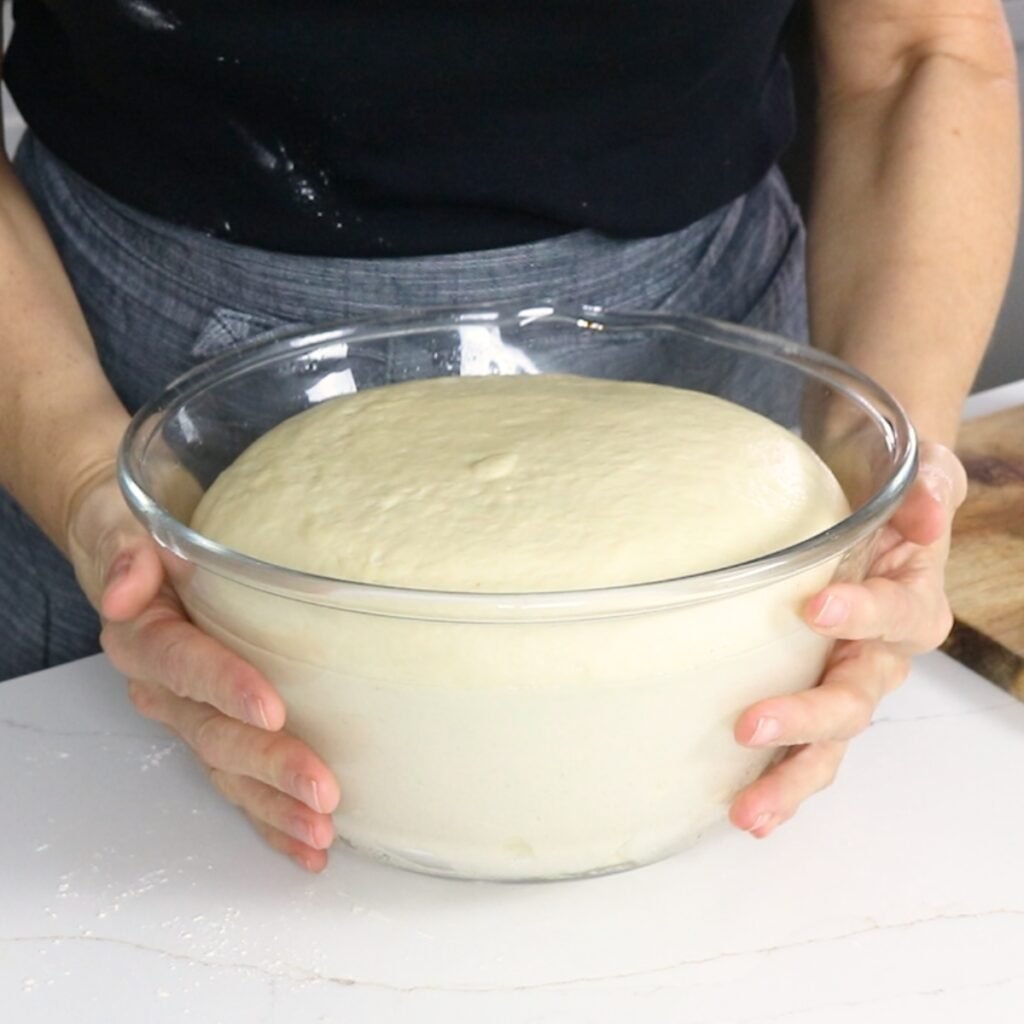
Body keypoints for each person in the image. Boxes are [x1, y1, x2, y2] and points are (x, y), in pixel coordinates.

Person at [0, 0, 1016, 873]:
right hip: (95, 391)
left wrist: (884, 480)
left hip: (729, 389)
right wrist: (93, 482)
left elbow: (917, 47)